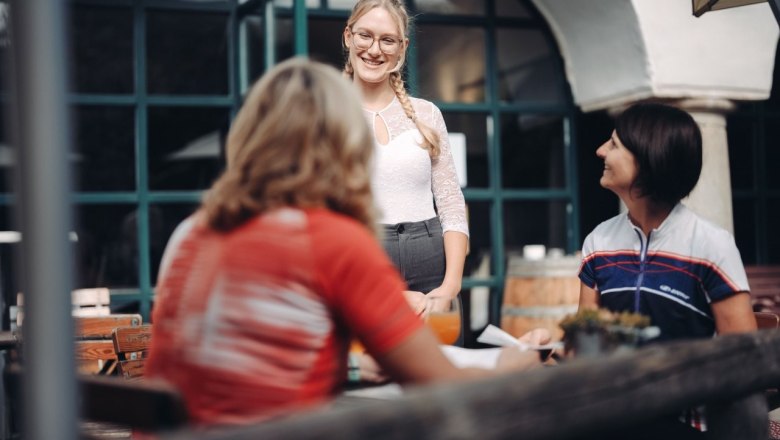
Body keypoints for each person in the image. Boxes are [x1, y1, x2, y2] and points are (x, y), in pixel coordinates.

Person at [145, 58, 543, 428]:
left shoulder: (190, 233)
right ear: (344, 142)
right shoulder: (329, 241)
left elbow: (246, 358)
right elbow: (443, 382)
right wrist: (518, 358)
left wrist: (352, 368)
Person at [578, 102, 757, 438]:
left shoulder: (710, 245)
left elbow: (743, 358)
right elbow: (588, 342)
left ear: (648, 157)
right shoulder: (599, 242)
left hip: (685, 423)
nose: (600, 150)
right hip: (614, 416)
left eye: (614, 144)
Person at [342, 0, 468, 316]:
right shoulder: (326, 115)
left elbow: (451, 205)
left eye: (388, 40)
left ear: (403, 47)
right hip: (360, 261)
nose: (374, 50)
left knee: (440, 348)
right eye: (365, 35)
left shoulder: (427, 114)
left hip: (431, 264)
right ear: (348, 36)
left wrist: (450, 287)